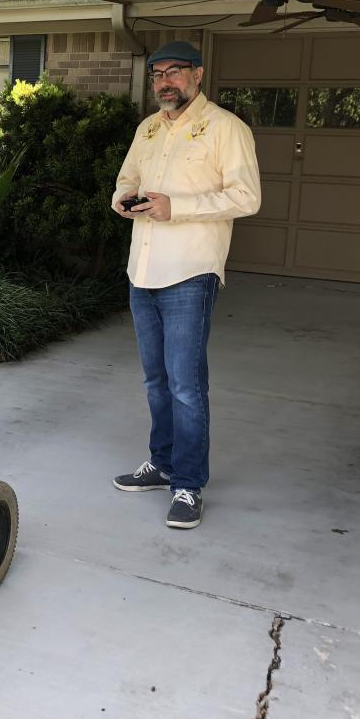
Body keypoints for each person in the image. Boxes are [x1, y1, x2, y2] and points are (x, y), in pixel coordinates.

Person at [110, 41, 261, 529]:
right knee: (156, 381)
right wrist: (122, 198)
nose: (164, 82)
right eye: (157, 74)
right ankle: (162, 462)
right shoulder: (149, 129)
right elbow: (126, 178)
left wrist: (179, 206)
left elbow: (247, 196)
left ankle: (189, 484)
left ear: (198, 74)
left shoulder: (225, 128)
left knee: (187, 387)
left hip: (189, 273)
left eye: (175, 72)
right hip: (143, 271)